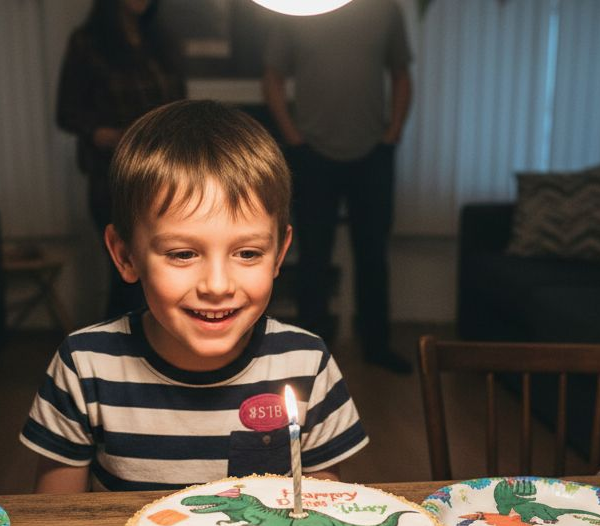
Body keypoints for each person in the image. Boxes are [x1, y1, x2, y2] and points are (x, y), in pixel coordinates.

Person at [20, 100, 369, 493]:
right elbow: (56, 524)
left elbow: (328, 511)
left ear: (279, 254)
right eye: (183, 254)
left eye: (248, 253)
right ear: (124, 255)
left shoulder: (308, 365)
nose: (217, 286)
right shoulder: (84, 368)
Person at [262, 0, 414, 374]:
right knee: (313, 253)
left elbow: (401, 75)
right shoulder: (297, 9)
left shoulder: (385, 10)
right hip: (312, 153)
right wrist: (293, 138)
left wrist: (392, 134)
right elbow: (272, 77)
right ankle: (309, 350)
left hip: (373, 153)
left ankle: (376, 344)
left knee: (373, 254)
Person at [56, 0, 186, 320]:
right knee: (128, 270)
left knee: (160, 268)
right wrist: (100, 133)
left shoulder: (160, 38)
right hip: (113, 176)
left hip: (162, 172)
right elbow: (66, 111)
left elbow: (180, 103)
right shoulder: (88, 42)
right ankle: (118, 351)